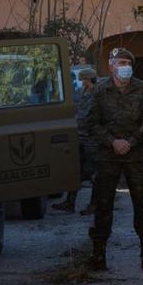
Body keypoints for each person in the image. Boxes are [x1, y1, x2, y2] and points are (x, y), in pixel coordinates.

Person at [85, 48, 143, 272]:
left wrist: (130, 142)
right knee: (103, 206)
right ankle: (98, 255)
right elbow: (92, 123)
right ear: (111, 66)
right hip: (108, 157)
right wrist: (112, 142)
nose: (124, 66)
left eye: (128, 62)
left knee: (142, 206)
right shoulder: (100, 90)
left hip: (136, 157)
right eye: (120, 62)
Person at [53, 67, 98, 213]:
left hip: (93, 139)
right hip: (79, 136)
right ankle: (70, 202)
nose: (81, 82)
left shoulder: (98, 95)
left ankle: (94, 205)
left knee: (93, 173)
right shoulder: (80, 93)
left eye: (83, 80)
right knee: (76, 171)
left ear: (89, 79)